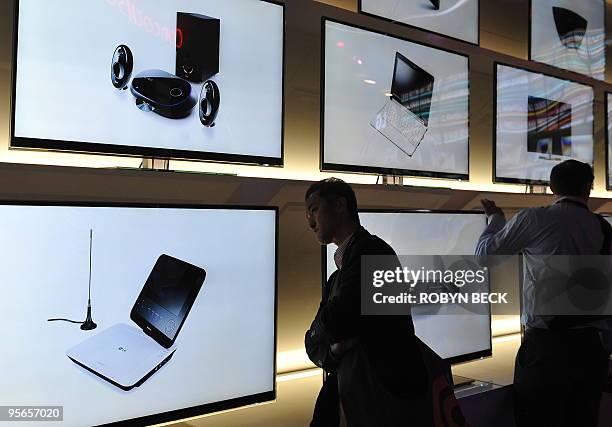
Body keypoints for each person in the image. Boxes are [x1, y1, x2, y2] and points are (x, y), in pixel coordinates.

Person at [475, 160, 612, 427]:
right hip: (591, 351)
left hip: (546, 352)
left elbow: (485, 256)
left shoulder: (535, 218)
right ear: (589, 188)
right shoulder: (603, 227)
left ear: (551, 187)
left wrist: (495, 220)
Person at [304, 178, 427, 427]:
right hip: (361, 398)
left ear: (339, 205)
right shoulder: (338, 276)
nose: (310, 222)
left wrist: (325, 338)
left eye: (314, 209)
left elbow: (338, 321)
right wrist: (332, 347)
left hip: (385, 400)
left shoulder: (372, 252)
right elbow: (314, 344)